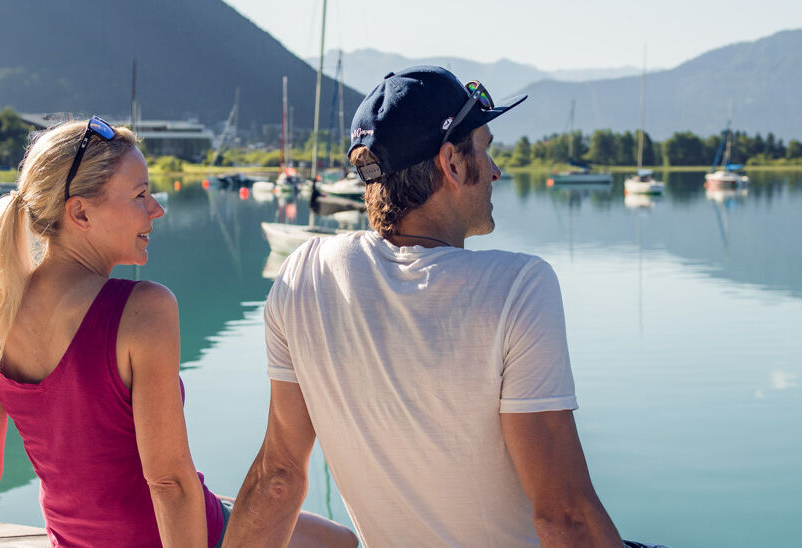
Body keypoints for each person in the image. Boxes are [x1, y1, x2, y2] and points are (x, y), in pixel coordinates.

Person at [226, 66, 637, 547]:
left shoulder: (303, 274)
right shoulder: (518, 288)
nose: (496, 170)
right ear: (453, 164)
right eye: (485, 149)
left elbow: (277, 479)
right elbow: (565, 517)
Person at [0, 118, 354, 547]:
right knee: (343, 543)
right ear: (80, 212)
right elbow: (168, 483)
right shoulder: (142, 311)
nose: (156, 208)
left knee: (252, 508)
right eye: (139, 195)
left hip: (75, 540)